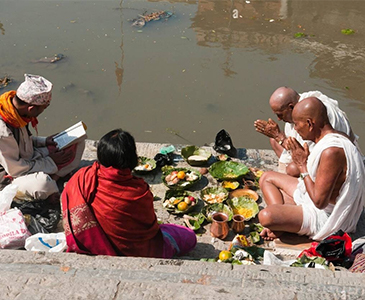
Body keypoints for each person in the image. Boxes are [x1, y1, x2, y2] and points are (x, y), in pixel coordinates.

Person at [62, 129, 197, 257]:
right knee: (189, 236)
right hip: (134, 250)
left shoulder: (82, 178)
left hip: (94, 243)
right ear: (132, 158)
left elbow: (67, 200)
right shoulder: (138, 193)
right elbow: (150, 230)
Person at [258, 97, 365, 241]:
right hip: (310, 194)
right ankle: (282, 221)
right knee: (267, 177)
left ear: (309, 123)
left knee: (266, 216)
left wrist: (302, 165)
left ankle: (280, 221)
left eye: (296, 124)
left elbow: (320, 202)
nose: (295, 129)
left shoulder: (331, 151)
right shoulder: (334, 136)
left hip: (325, 216)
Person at [0, 74, 85, 200]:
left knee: (76, 142)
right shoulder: (3, 131)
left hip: (30, 158)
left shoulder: (17, 112)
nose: (41, 113)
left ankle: (54, 176)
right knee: (43, 184)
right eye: (43, 108)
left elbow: (23, 141)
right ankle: (53, 178)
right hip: (12, 175)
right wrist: (51, 161)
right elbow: (15, 169)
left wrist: (45, 141)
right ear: (31, 108)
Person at [254, 87, 358, 176]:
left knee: (292, 169)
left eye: (280, 115)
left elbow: (311, 155)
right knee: (273, 140)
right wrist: (278, 138)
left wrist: (281, 138)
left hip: (332, 164)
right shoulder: (300, 105)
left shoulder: (318, 116)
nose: (279, 119)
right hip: (313, 153)